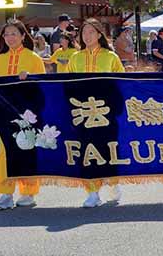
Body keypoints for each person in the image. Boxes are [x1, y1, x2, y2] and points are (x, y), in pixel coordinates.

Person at [68, 18, 125, 207]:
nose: (87, 36)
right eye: (84, 32)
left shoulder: (111, 57)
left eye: (91, 32)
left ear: (100, 34)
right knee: (87, 150)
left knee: (108, 147)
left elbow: (121, 83)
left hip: (107, 111)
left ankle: (113, 181)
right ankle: (92, 191)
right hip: (83, 112)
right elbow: (67, 84)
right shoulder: (75, 58)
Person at [0, 20, 46, 210]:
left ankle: (28, 192)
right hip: (4, 114)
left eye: (14, 33)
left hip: (27, 115)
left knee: (27, 151)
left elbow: (42, 87)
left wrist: (29, 78)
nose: (10, 38)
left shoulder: (33, 58)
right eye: (6, 35)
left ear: (23, 36)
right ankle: (5, 193)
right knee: (5, 152)